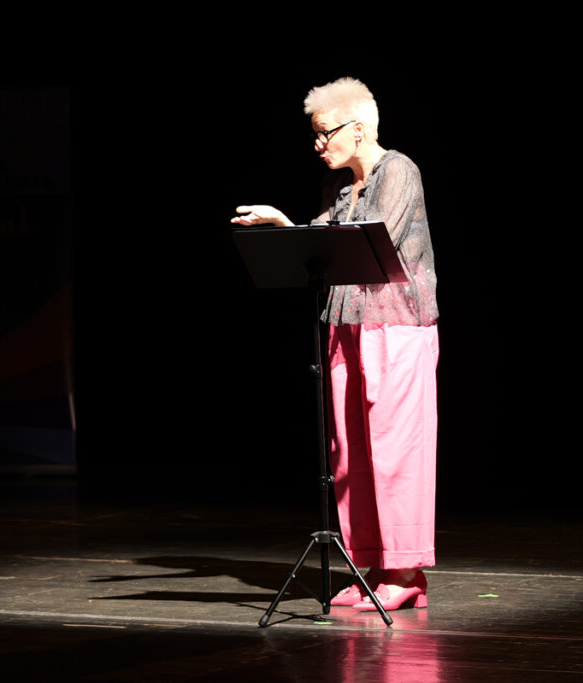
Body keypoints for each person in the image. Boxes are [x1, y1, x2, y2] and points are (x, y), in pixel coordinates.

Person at [231, 77, 439, 611]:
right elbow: (325, 237)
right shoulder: (339, 186)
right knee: (350, 452)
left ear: (359, 127)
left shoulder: (399, 170)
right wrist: (286, 225)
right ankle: (374, 563)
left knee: (396, 447)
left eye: (325, 133)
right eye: (315, 135)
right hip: (345, 325)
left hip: (396, 325)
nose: (318, 144)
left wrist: (315, 232)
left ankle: (406, 570)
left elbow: (373, 240)